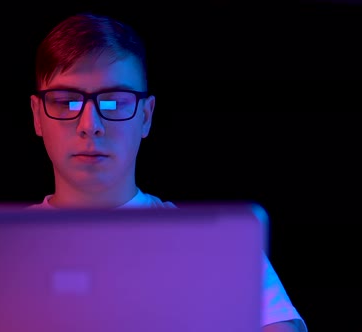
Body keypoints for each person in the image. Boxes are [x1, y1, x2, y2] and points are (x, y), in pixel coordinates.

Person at [28, 12, 307, 332]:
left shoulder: (217, 244)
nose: (90, 126)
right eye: (67, 103)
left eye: (113, 103)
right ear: (37, 115)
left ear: (146, 116)